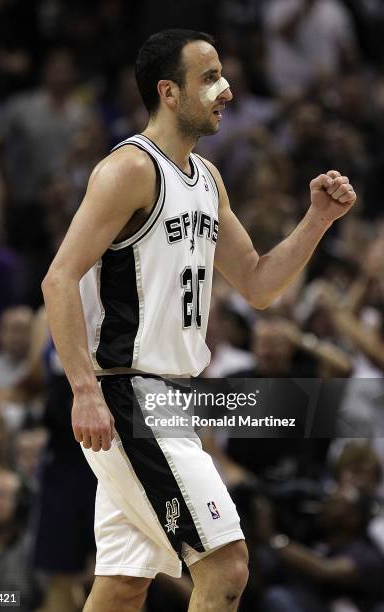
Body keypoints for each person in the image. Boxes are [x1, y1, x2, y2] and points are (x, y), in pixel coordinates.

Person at [41, 29, 357, 612]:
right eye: (209, 78)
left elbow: (259, 284)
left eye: (223, 75)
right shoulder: (130, 170)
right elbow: (58, 278)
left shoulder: (208, 180)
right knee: (227, 566)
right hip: (129, 395)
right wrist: (84, 389)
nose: (227, 90)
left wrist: (317, 220)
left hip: (170, 399)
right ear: (168, 92)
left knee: (121, 587)